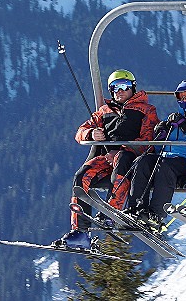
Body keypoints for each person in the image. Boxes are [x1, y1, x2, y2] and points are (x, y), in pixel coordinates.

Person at [56, 69, 159, 249]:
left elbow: (148, 141)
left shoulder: (146, 110)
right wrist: (91, 133)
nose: (120, 91)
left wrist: (122, 149)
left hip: (130, 158)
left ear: (133, 88)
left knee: (122, 158)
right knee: (82, 175)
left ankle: (112, 212)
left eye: (124, 87)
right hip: (106, 159)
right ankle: (80, 231)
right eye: (115, 88)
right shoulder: (103, 112)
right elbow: (80, 133)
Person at [124, 80, 186, 233]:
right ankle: (136, 209)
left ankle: (156, 214)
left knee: (165, 167)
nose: (184, 100)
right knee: (142, 161)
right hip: (166, 156)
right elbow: (161, 147)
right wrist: (160, 134)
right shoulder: (173, 118)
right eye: (180, 96)